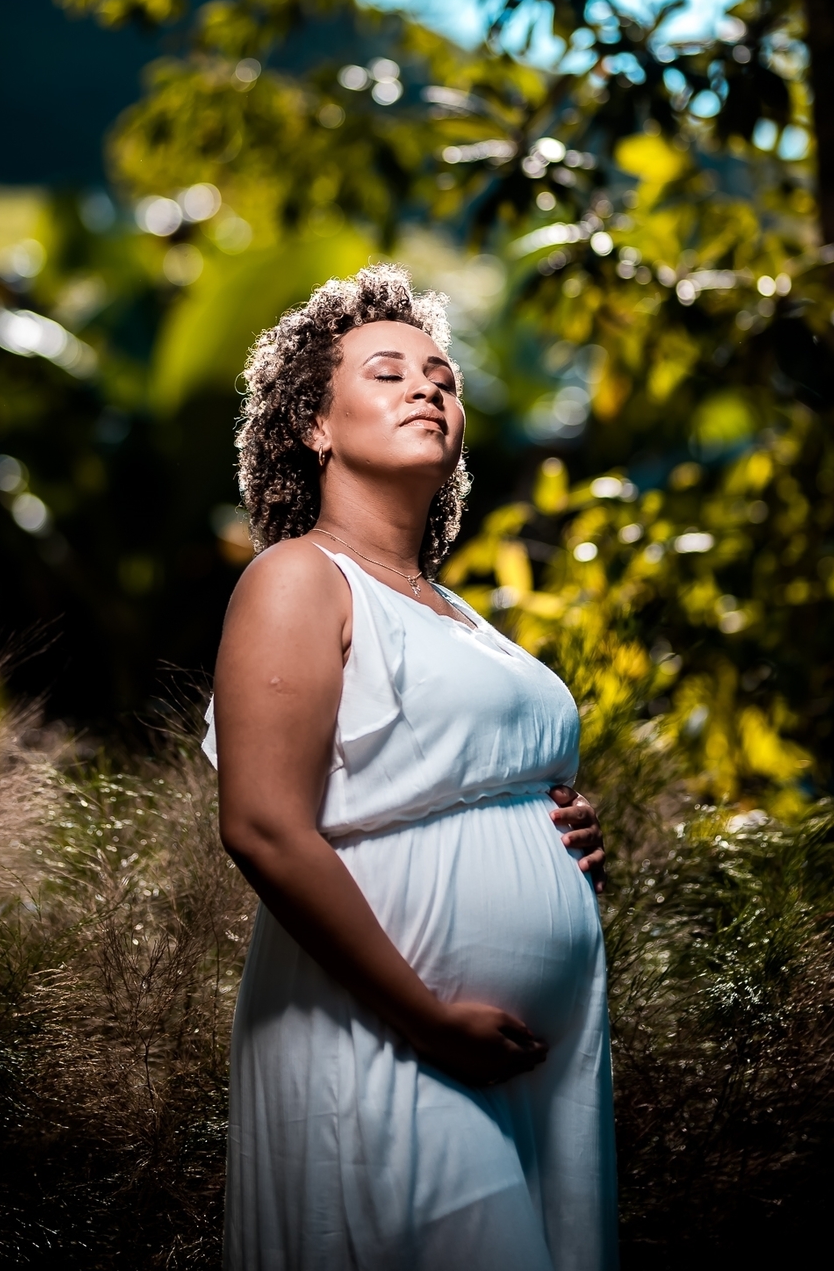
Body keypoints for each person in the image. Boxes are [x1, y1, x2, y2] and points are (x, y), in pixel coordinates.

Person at [205, 265, 617, 1271]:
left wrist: (559, 824)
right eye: (387, 373)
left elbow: (458, 774)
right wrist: (426, 1018)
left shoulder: (458, 614)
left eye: (441, 375)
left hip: (522, 1053)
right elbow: (261, 824)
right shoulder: (299, 577)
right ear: (315, 424)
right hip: (387, 1039)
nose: (428, 387)